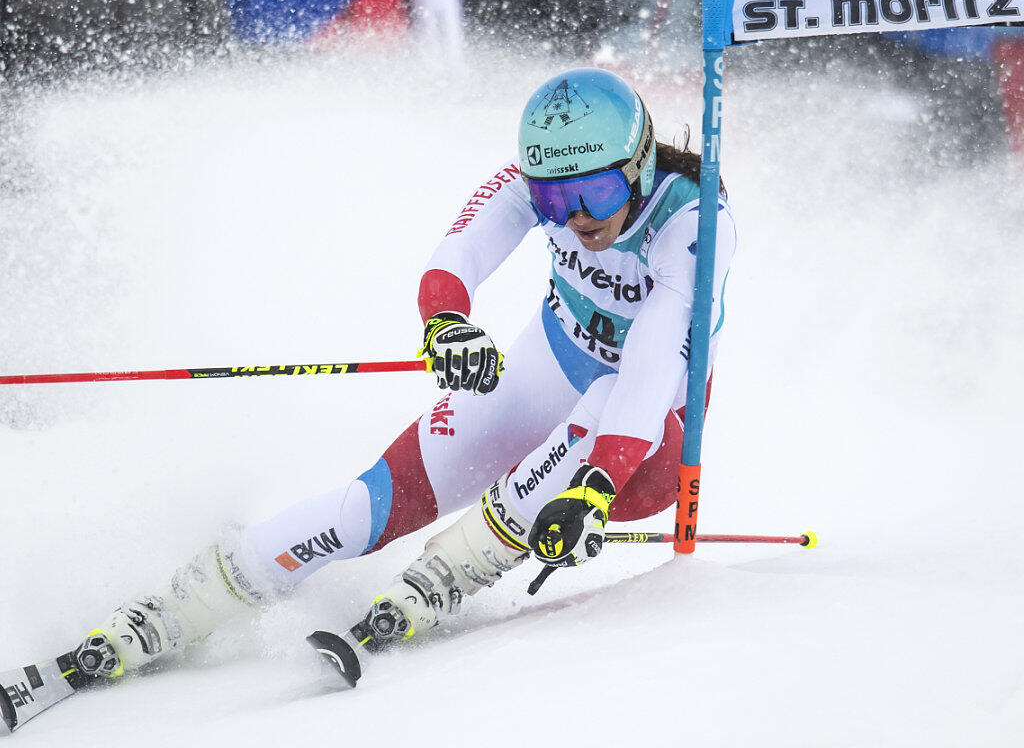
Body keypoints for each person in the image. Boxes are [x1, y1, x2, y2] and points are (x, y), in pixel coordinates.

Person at [70, 67, 737, 683]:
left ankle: (455, 565)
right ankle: (180, 604)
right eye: (555, 200)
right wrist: (447, 323)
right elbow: (459, 254)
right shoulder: (542, 190)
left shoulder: (691, 224)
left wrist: (596, 486)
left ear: (640, 162)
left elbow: (650, 362)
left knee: (604, 394)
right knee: (369, 507)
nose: (578, 217)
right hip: (550, 365)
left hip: (655, 440)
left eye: (595, 191)